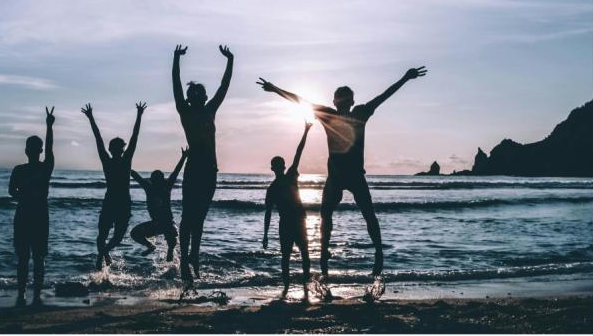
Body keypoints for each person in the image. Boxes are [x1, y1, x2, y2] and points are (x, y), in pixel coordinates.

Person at [257, 66, 427, 280]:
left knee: (368, 214)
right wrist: (275, 89)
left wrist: (404, 78)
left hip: (355, 175)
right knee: (326, 215)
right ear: (336, 102)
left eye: (347, 100)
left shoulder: (360, 113)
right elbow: (299, 100)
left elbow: (383, 96)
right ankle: (325, 257)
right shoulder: (328, 115)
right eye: (341, 100)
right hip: (336, 178)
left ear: (351, 102)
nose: (344, 103)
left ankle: (378, 252)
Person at [172, 44, 234, 288]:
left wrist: (230, 60)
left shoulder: (210, 110)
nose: (196, 96)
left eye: (200, 93)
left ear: (205, 97)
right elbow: (176, 85)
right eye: (193, 94)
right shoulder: (185, 112)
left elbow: (224, 86)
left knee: (200, 218)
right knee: (188, 217)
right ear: (190, 98)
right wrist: (176, 59)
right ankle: (184, 261)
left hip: (210, 171)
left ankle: (193, 257)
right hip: (195, 169)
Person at [81, 101, 146, 270]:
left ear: (120, 149)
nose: (117, 149)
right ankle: (103, 255)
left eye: (118, 147)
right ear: (113, 149)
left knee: (115, 236)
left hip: (120, 201)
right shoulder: (111, 161)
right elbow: (100, 139)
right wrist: (91, 118)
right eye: (115, 147)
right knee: (104, 235)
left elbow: (133, 138)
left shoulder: (123, 161)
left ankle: (103, 254)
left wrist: (139, 116)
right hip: (115, 200)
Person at [8, 106, 55, 307]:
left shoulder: (42, 167)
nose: (35, 150)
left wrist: (49, 126)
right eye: (35, 147)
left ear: (29, 150)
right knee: (31, 256)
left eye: (35, 147)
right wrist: (49, 126)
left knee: (31, 256)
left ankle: (28, 294)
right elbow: (12, 191)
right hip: (31, 215)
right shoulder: (22, 169)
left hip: (31, 215)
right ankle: (29, 293)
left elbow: (12, 191)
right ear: (31, 150)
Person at [263, 121, 313, 301]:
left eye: (279, 165)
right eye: (277, 165)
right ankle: (290, 287)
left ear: (280, 167)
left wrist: (306, 131)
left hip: (296, 221)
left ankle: (301, 286)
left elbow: (299, 153)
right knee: (291, 256)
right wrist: (265, 235)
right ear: (276, 168)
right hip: (290, 222)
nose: (279, 167)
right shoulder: (274, 187)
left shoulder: (288, 178)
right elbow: (268, 212)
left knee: (301, 254)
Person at [129, 147, 189, 261]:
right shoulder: (150, 188)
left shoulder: (165, 186)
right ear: (152, 180)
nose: (156, 182)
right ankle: (151, 246)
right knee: (134, 233)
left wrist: (183, 157)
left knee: (172, 241)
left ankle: (170, 251)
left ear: (161, 180)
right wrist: (126, 165)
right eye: (154, 180)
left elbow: (176, 172)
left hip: (167, 223)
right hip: (156, 224)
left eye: (158, 180)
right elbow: (136, 176)